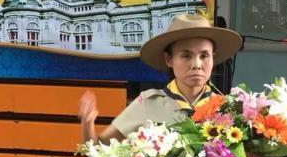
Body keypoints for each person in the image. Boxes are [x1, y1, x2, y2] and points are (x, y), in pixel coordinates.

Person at [79, 13, 243, 143]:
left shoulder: (225, 109)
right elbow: (98, 148)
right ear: (169, 59)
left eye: (204, 56)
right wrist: (87, 123)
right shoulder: (147, 104)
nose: (197, 65)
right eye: (186, 56)